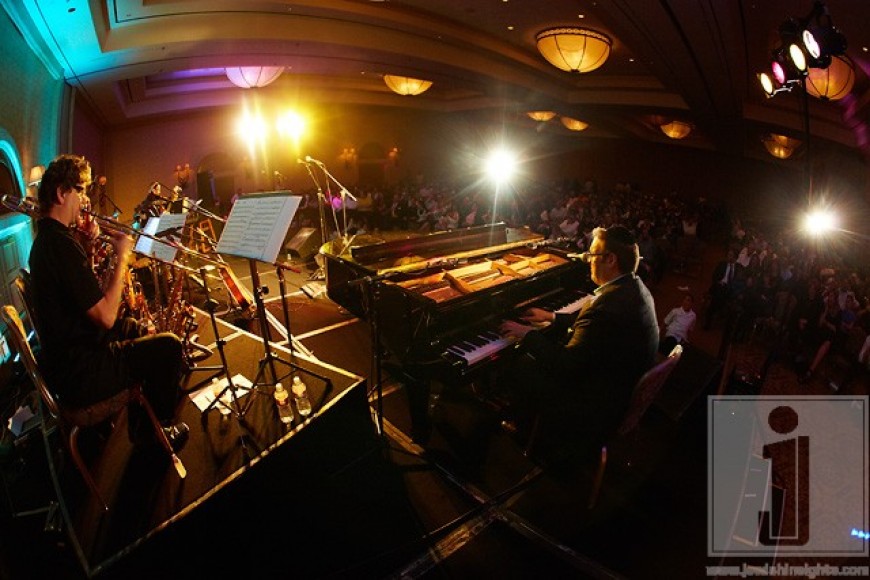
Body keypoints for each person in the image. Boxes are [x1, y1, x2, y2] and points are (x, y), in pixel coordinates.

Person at [28, 154, 188, 449]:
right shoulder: (60, 246)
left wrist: (88, 249)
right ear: (62, 193)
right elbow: (104, 316)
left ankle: (142, 425)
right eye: (81, 190)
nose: (85, 200)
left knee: (132, 326)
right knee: (169, 346)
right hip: (81, 374)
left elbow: (81, 295)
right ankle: (157, 434)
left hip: (71, 360)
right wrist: (122, 257)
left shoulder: (50, 241)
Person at [499, 225, 659, 473]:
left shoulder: (607, 306)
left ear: (610, 259)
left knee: (522, 365)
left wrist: (528, 334)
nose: (587, 261)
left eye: (592, 255)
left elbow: (566, 365)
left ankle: (527, 431)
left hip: (594, 405)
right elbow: (597, 329)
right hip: (619, 389)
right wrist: (553, 317)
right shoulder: (634, 288)